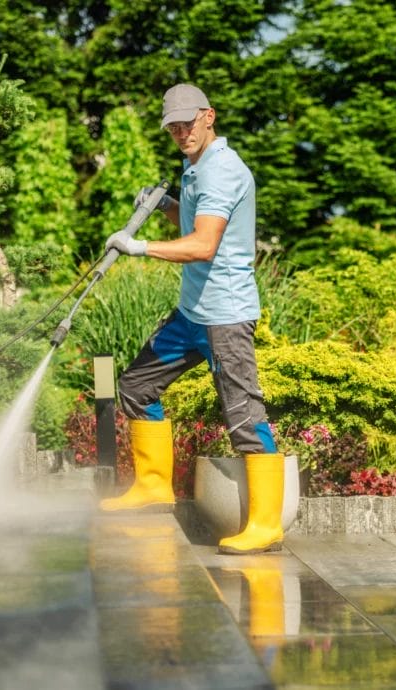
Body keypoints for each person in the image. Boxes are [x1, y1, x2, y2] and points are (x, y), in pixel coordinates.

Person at [98, 84, 284, 556]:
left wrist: (139, 247)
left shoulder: (222, 170)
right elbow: (197, 222)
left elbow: (204, 245)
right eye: (173, 127)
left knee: (243, 415)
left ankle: (266, 525)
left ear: (209, 117)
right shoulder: (197, 166)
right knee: (137, 386)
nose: (181, 133)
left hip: (226, 316)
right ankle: (153, 485)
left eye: (188, 123)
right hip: (192, 313)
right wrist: (165, 206)